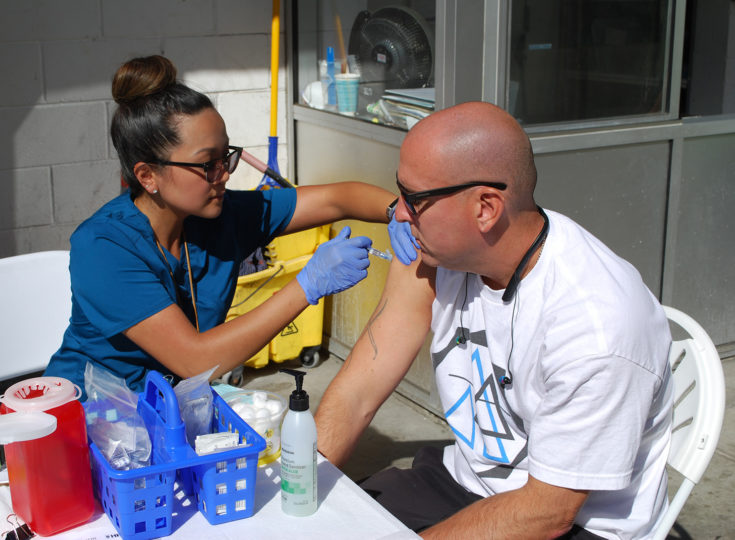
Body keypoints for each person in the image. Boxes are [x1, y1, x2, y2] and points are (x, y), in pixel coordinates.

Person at [314, 102, 673, 539]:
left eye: (414, 199)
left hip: (575, 521)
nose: (399, 214)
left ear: (485, 208)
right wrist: (298, 480)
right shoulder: (432, 254)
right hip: (468, 482)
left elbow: (546, 512)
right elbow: (359, 390)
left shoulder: (598, 328)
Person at [44, 55, 396, 399]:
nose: (225, 174)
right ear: (147, 175)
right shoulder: (104, 247)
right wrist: (308, 284)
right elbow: (195, 359)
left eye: (226, 156)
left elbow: (337, 198)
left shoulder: (217, 216)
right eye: (207, 164)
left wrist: (401, 212)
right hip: (88, 418)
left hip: (166, 412)